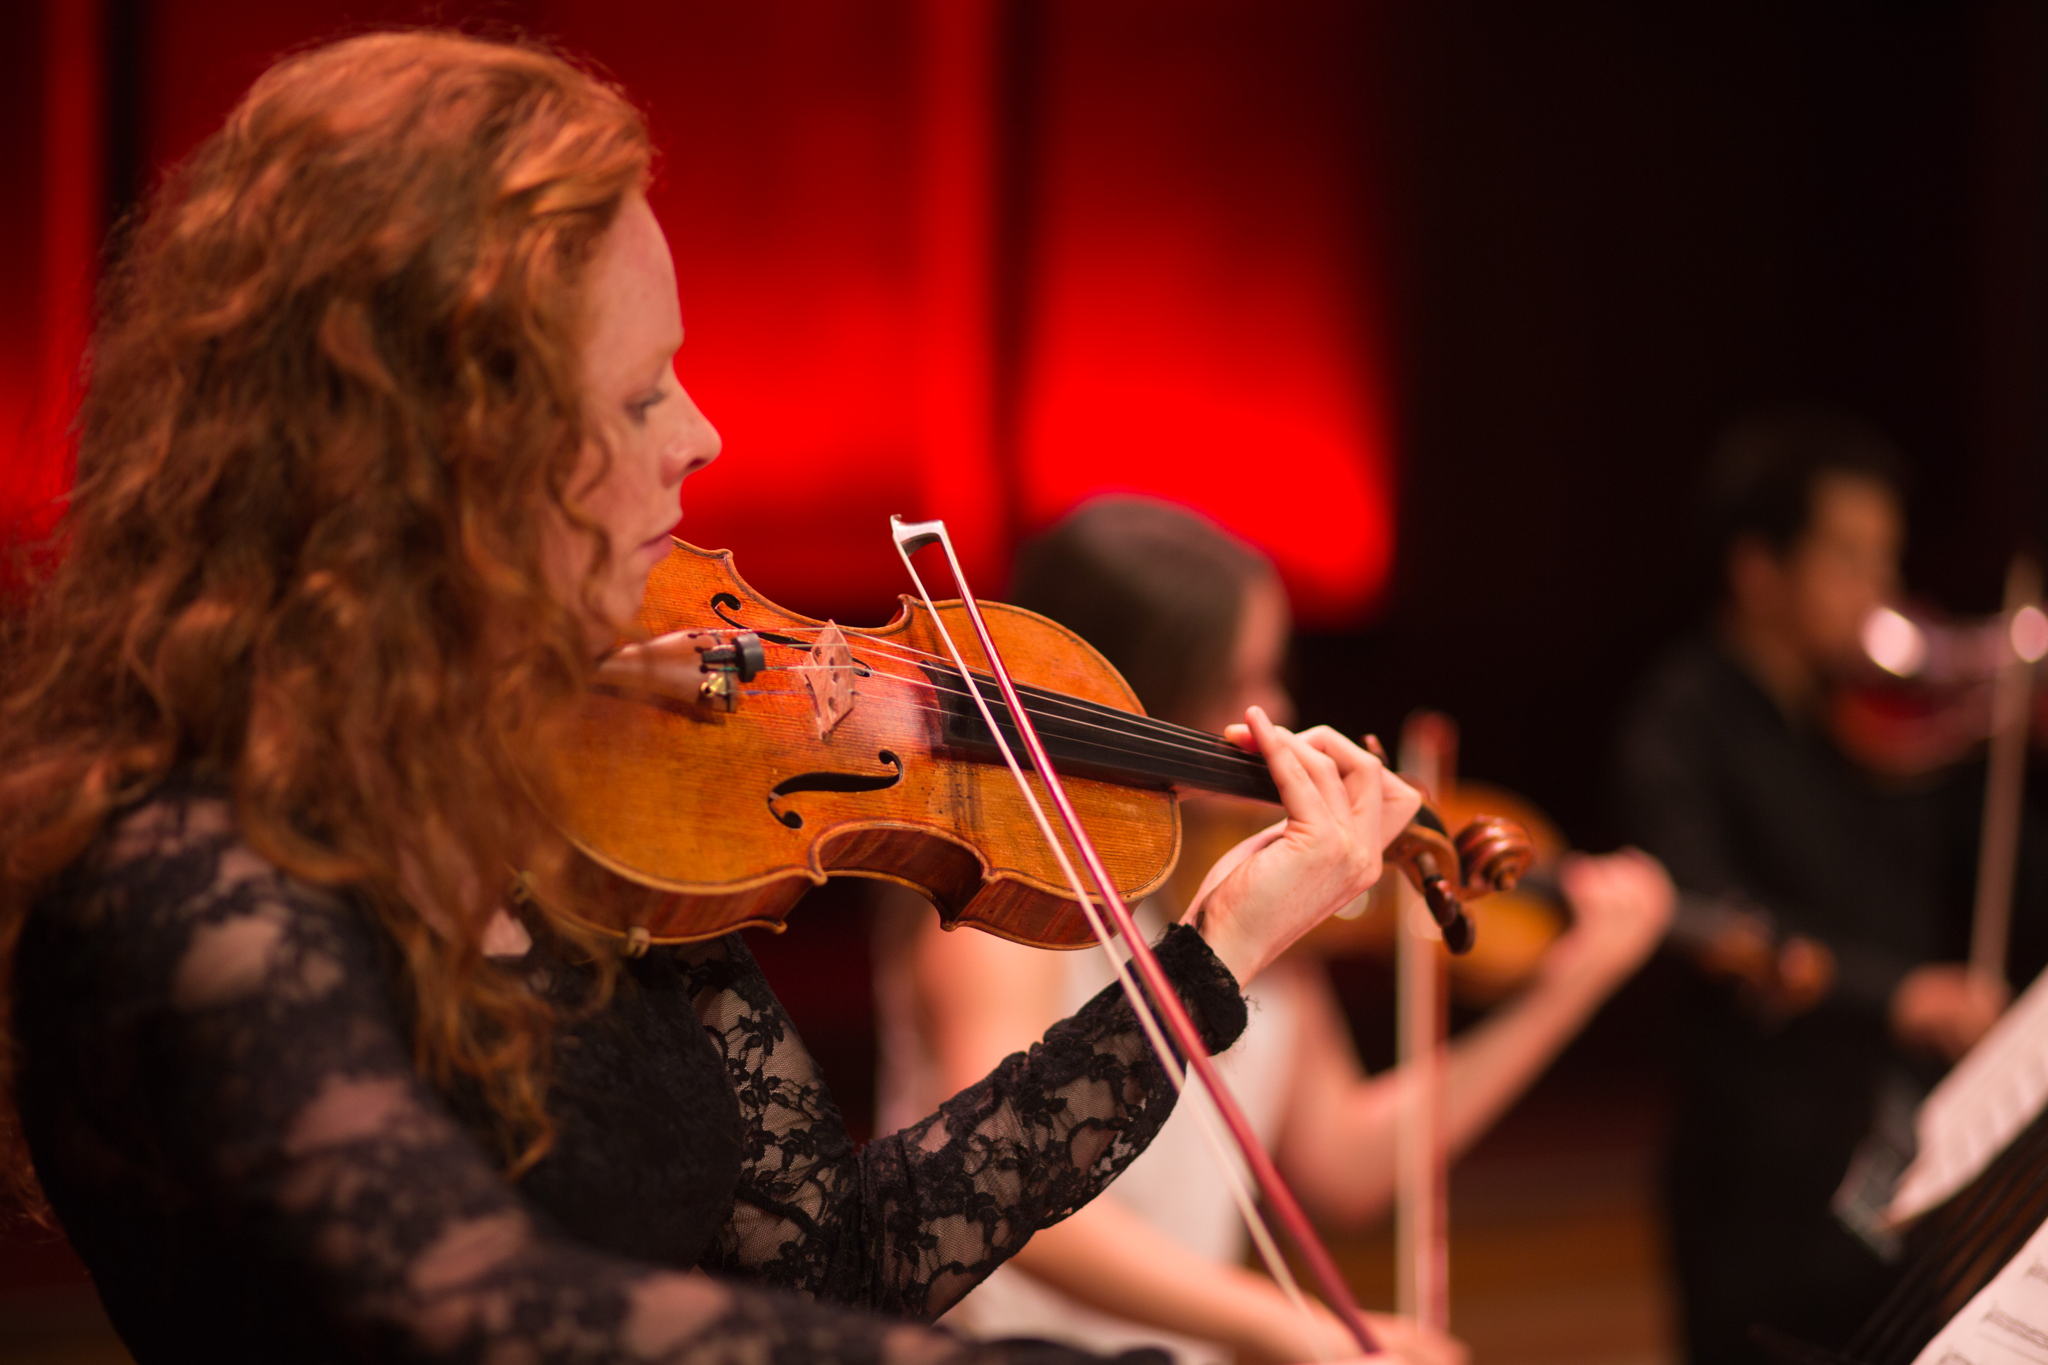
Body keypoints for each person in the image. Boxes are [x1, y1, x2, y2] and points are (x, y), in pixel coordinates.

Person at [0, 32, 1431, 1363]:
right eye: (634, 400)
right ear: (428, 456)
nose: (702, 434)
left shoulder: (599, 818)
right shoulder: (180, 884)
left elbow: (827, 1263)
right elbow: (487, 1309)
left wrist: (1211, 958)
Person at [874, 496, 1675, 1365]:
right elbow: (1003, 1194)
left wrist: (1568, 989)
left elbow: (1346, 1161)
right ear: (1142, 699)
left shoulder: (1250, 881)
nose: (1277, 712)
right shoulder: (1011, 904)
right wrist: (1286, 1325)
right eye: (1242, 681)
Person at [1611, 408, 2011, 1364]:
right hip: (1759, 1174)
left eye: (1889, 559)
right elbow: (1712, 920)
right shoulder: (1681, 722)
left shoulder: (1881, 723)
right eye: (1852, 560)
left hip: (1899, 1149)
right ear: (1759, 570)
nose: (1884, 592)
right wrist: (1898, 992)